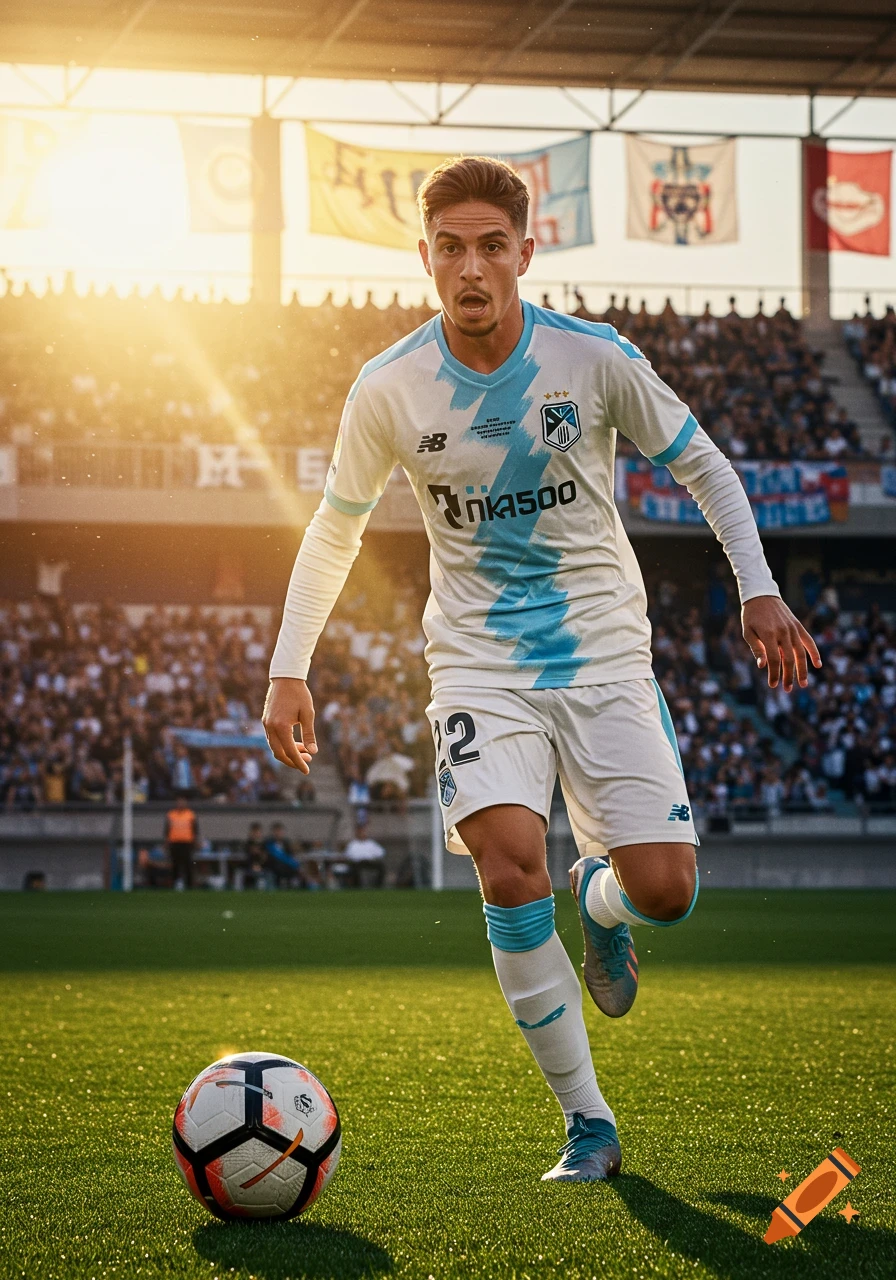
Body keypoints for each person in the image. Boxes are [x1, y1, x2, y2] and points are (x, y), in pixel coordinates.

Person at [263, 156, 821, 1184]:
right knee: (505, 868)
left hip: (604, 651)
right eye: (448, 247)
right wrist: (288, 666)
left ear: (525, 250)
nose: (468, 267)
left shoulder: (591, 357)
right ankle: (587, 1123)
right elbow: (334, 528)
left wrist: (756, 585)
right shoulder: (389, 387)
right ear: (424, 257)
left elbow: (698, 460)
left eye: (488, 245)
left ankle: (600, 901)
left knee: (665, 892)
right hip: (477, 664)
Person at [165, 794, 198, 889]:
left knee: (188, 864)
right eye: (179, 801)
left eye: (182, 801)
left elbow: (195, 829)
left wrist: (195, 841)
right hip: (174, 842)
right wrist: (166, 842)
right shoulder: (171, 814)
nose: (181, 803)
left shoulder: (190, 815)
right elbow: (167, 830)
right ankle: (175, 883)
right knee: (175, 864)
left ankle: (189, 884)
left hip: (187, 843)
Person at [343, 821, 386, 888]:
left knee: (381, 866)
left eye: (363, 832)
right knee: (354, 869)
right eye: (360, 832)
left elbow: (381, 852)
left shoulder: (371, 843)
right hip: (358, 863)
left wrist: (373, 857)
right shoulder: (353, 844)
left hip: (369, 862)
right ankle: (357, 886)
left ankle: (378, 886)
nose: (362, 834)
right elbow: (348, 855)